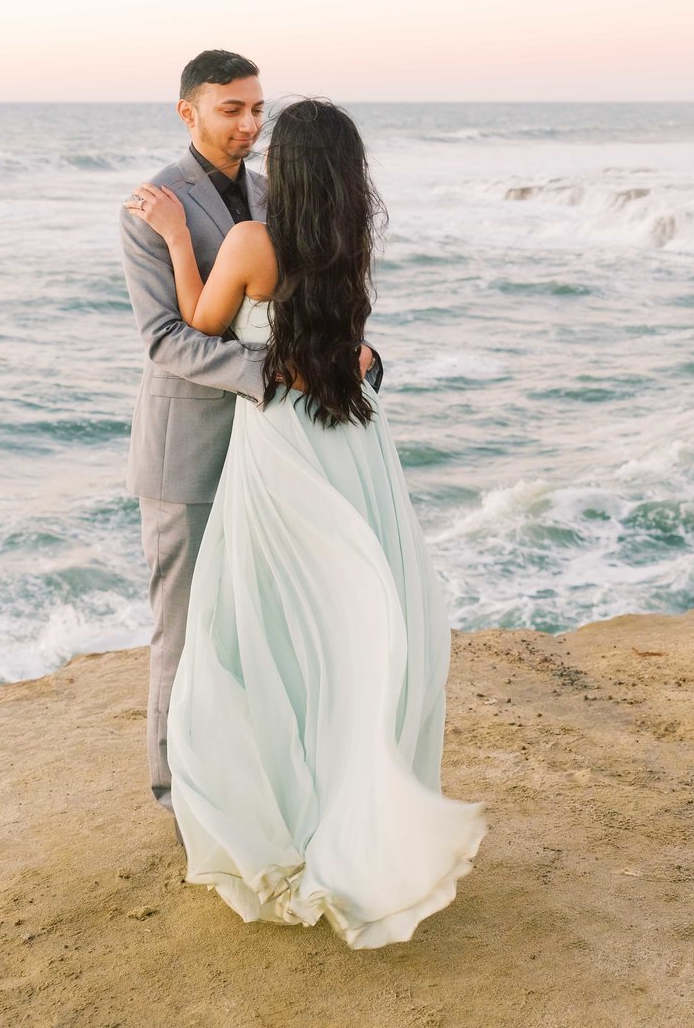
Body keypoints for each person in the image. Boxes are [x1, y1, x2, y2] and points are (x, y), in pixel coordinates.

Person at [123, 97, 485, 948]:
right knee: (343, 623)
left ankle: (270, 810)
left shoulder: (250, 243)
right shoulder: (345, 244)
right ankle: (340, 806)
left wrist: (180, 240)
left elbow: (194, 325)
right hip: (351, 444)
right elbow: (348, 345)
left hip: (282, 445)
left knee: (257, 626)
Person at [119, 51, 380, 819]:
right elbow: (166, 339)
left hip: (279, 454)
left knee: (264, 628)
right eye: (231, 109)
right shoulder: (152, 205)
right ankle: (176, 797)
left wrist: (345, 356)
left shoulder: (278, 195)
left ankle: (256, 782)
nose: (250, 125)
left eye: (257, 109)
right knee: (186, 628)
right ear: (188, 111)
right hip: (192, 453)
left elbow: (316, 300)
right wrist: (279, 370)